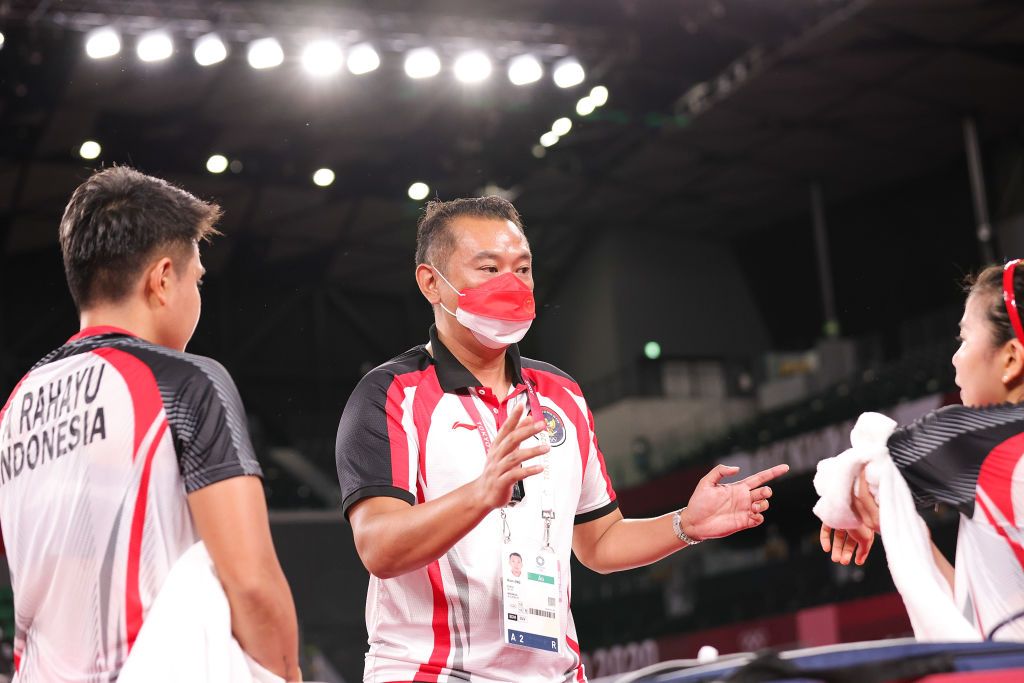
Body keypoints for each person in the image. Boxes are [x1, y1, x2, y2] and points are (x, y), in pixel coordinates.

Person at [335, 196, 789, 682]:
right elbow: (379, 549)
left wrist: (684, 524)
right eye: (488, 268)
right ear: (431, 282)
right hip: (428, 674)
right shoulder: (391, 394)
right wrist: (481, 494)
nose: (511, 285)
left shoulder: (562, 394)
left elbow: (600, 542)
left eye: (523, 268)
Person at [0, 167, 301, 681]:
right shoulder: (186, 382)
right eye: (197, 279)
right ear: (163, 280)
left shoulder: (16, 406)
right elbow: (250, 582)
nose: (197, 296)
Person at [821, 260, 1024, 641]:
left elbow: (849, 478)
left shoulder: (970, 440)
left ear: (1011, 358)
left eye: (964, 339)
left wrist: (850, 504)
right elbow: (986, 623)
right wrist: (904, 530)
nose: (955, 358)